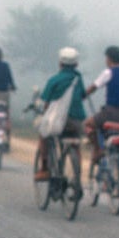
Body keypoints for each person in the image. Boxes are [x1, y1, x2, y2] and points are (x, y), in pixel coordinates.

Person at [33, 47, 86, 181]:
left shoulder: (54, 80)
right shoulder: (78, 79)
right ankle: (77, 177)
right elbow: (83, 95)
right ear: (76, 64)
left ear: (60, 63)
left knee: (43, 134)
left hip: (58, 122)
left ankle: (44, 168)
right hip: (77, 122)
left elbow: (45, 103)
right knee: (75, 144)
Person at [84, 45, 119, 162]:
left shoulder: (108, 72)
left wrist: (81, 95)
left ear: (109, 59)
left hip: (110, 113)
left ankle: (97, 150)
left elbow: (93, 87)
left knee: (88, 124)